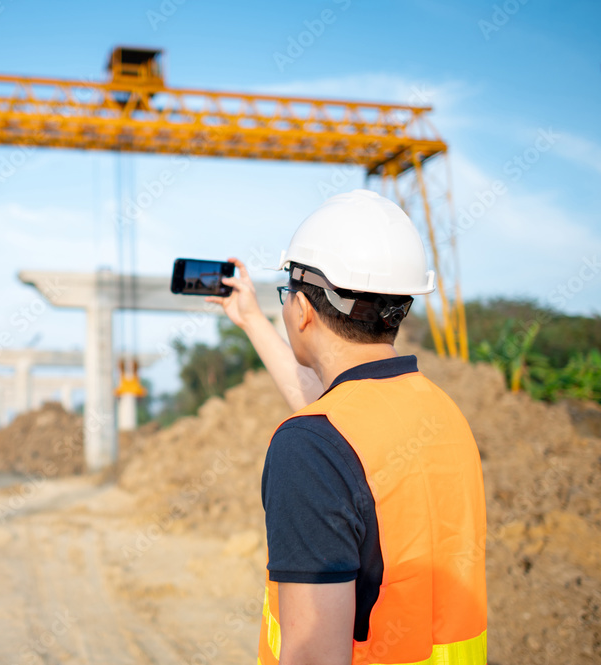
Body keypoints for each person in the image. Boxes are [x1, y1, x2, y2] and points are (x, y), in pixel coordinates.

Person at [206, 189, 487, 665]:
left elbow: (315, 655)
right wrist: (252, 319)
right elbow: (342, 425)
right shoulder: (439, 412)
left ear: (301, 310)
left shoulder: (310, 448)